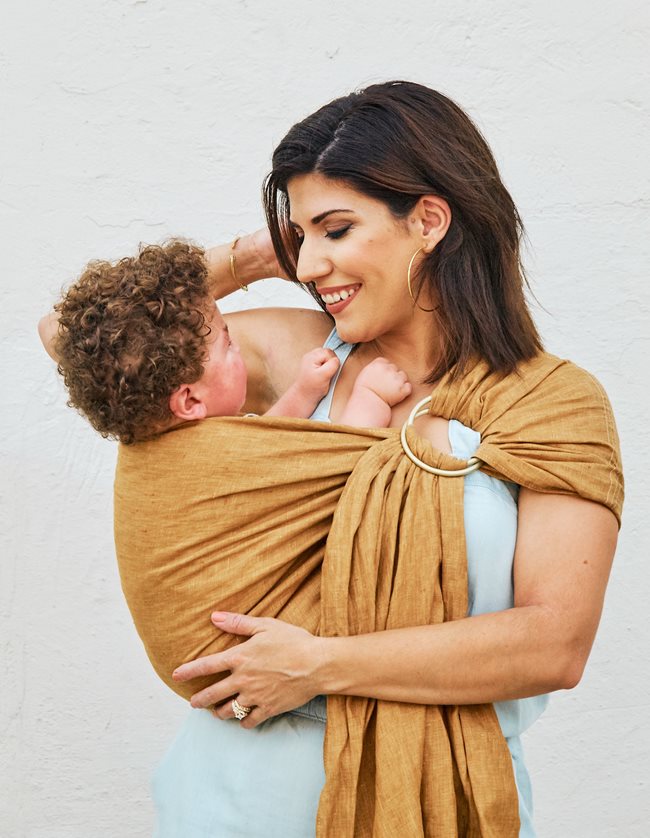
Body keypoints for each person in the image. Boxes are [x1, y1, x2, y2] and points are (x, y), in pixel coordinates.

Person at [40, 81, 622, 838]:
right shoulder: (302, 354)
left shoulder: (550, 405)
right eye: (300, 235)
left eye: (336, 229)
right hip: (227, 803)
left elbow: (554, 644)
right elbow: (70, 334)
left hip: (437, 806)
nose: (311, 263)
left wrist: (318, 665)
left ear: (429, 221)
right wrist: (259, 254)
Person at [43, 239, 412, 442]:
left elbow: (267, 433)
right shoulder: (206, 458)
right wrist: (369, 398)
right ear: (189, 400)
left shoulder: (167, 424)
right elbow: (334, 466)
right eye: (229, 343)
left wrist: (304, 389)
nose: (238, 345)